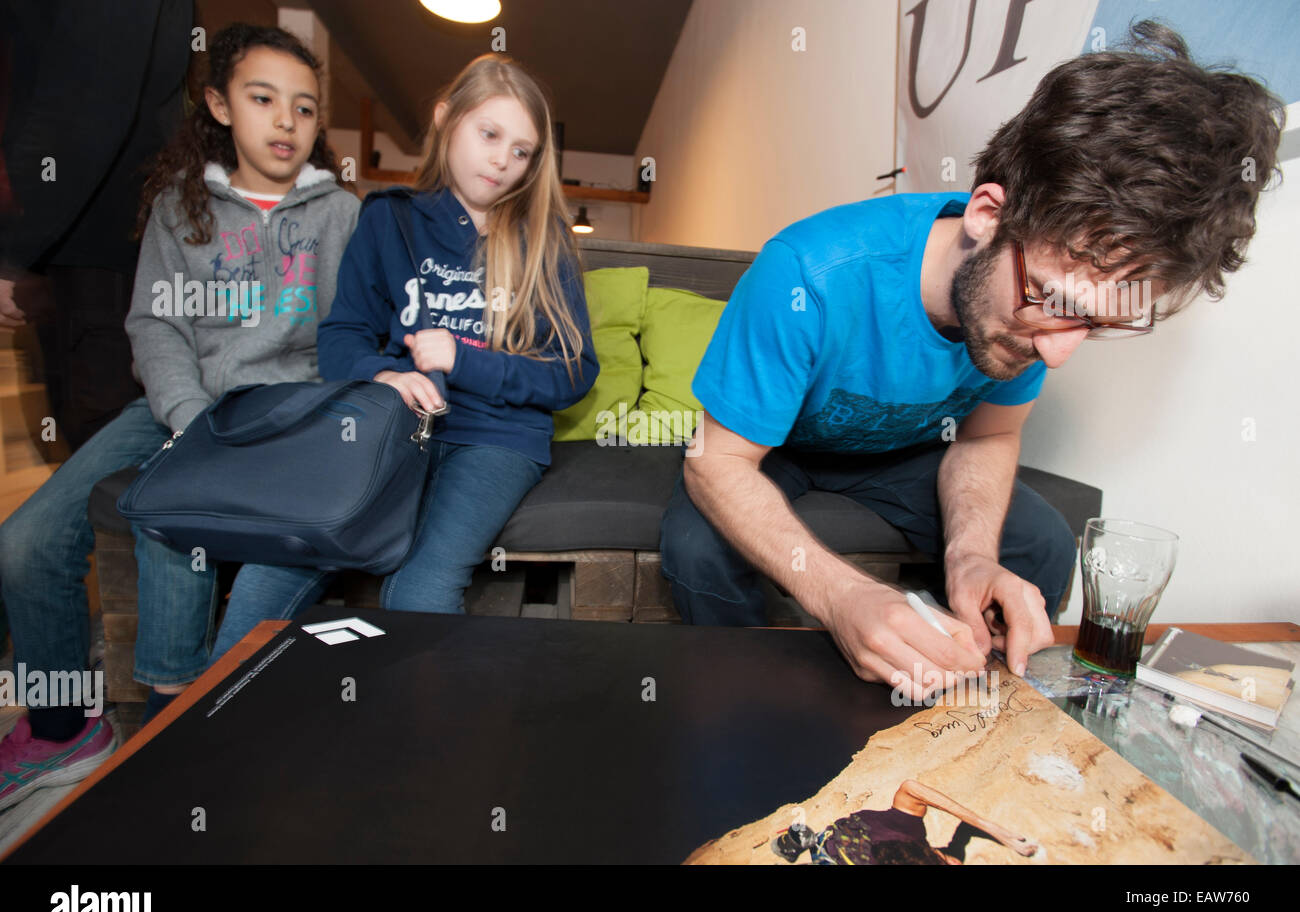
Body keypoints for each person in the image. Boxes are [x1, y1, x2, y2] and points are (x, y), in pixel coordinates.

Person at [659, 21, 1283, 701]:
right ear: (988, 213)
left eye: (1097, 324)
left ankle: (958, 706)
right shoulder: (808, 271)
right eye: (1053, 300)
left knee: (1041, 543)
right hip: (770, 444)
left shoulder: (1036, 304)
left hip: (908, 449)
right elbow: (716, 461)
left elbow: (990, 434)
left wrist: (971, 557)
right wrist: (843, 598)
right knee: (699, 550)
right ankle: (750, 702)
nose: (1060, 349)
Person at [0, 24, 360, 811]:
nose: (285, 121)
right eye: (263, 99)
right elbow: (155, 326)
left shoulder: (341, 215)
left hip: (282, 411)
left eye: (304, 107)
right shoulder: (179, 206)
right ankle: (65, 729)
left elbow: (348, 338)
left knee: (174, 519)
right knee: (22, 543)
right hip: (174, 401)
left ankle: (172, 732)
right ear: (218, 103)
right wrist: (189, 416)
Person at [209, 53, 598, 658]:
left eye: (521, 151)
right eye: (489, 134)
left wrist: (464, 360)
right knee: (276, 565)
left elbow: (575, 373)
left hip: (496, 438)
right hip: (394, 426)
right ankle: (210, 729)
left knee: (419, 587)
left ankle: (427, 743)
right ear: (447, 120)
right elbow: (341, 338)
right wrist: (385, 375)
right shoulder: (390, 218)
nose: (502, 160)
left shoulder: (543, 242)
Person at [0, 0, 193, 449]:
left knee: (104, 465)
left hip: (103, 249)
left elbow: (85, 107)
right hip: (95, 246)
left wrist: (16, 253)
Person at [773, 778, 1038, 865]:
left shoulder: (904, 827)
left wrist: (994, 829)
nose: (957, 862)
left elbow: (911, 786)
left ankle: (802, 839)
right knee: (815, 846)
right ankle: (800, 840)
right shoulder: (906, 841)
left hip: (845, 839)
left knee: (816, 844)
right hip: (835, 848)